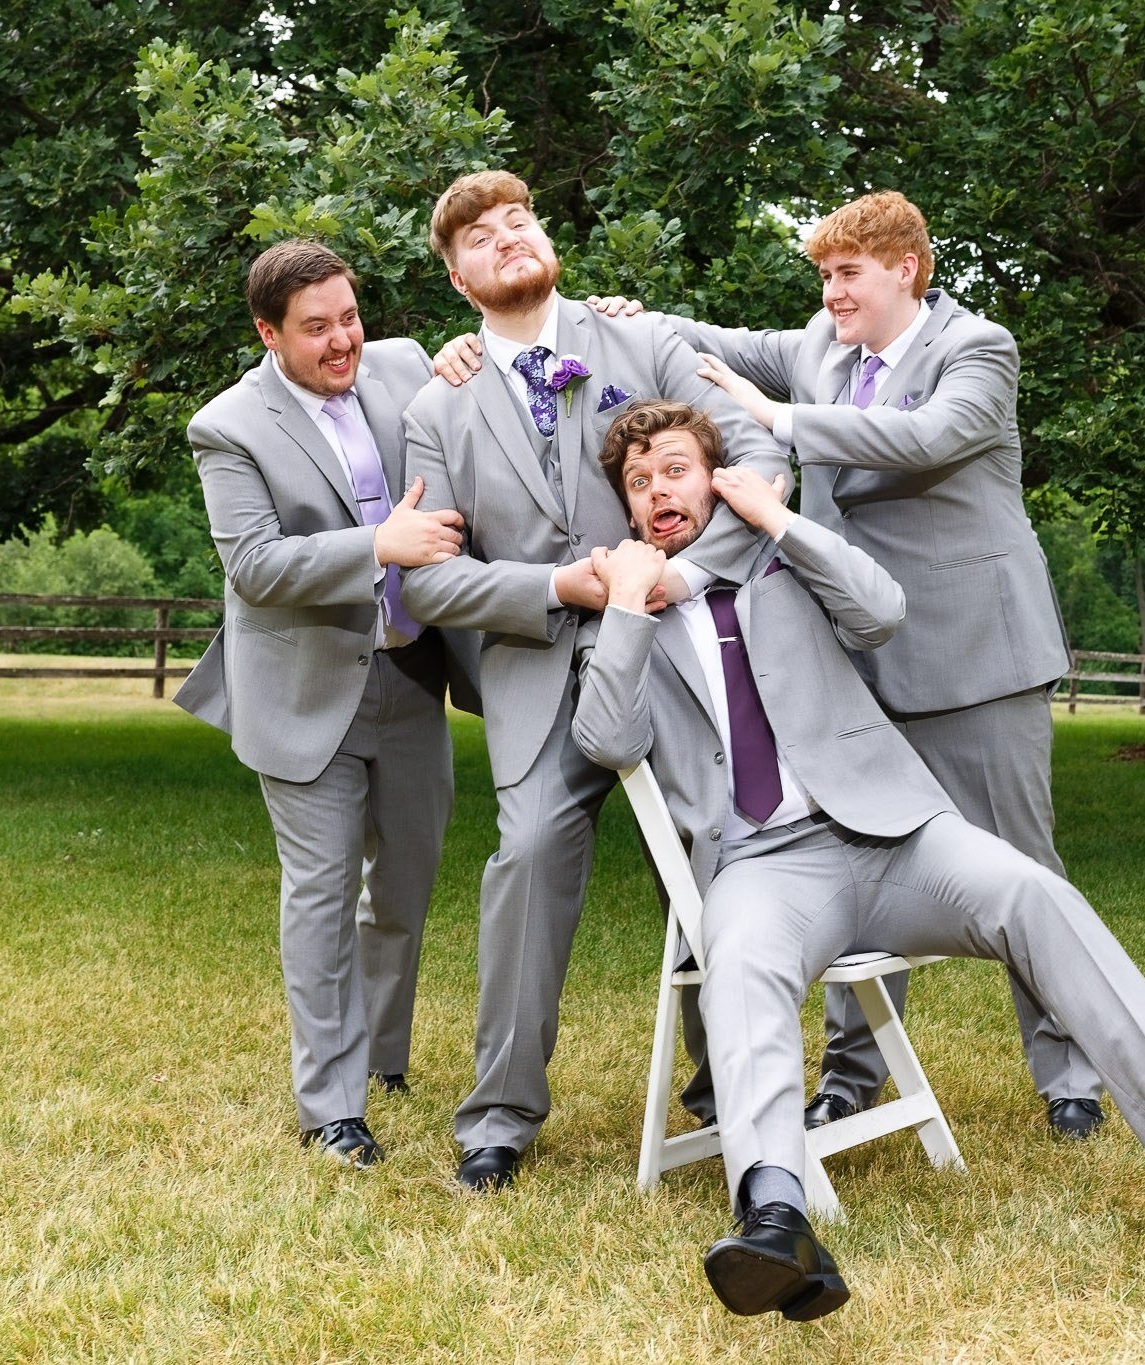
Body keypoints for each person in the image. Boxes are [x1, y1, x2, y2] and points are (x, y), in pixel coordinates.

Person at [571, 400, 1145, 1321]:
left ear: (716, 479)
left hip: (896, 834)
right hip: (765, 866)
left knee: (1033, 892)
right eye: (639, 482)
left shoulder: (785, 561)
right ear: (627, 512)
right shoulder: (626, 621)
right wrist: (624, 604)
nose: (660, 491)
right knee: (736, 966)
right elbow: (608, 738)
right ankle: (777, 1215)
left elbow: (884, 610)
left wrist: (775, 514)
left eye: (676, 469)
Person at [434, 191, 1105, 1140]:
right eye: (823, 275)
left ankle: (1070, 1076)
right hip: (838, 638)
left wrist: (780, 422)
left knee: (1020, 862)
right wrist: (591, 319)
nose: (831, 293)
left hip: (970, 645)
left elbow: (929, 439)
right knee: (857, 834)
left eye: (849, 275)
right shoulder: (819, 349)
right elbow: (702, 339)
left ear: (906, 269)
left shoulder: (976, 348)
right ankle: (852, 1073)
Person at [396, 171, 789, 1192]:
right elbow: (432, 577)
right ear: (456, 278)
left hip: (674, 652)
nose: (508, 237)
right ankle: (498, 1117)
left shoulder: (642, 341)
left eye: (520, 219)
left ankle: (732, 1093)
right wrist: (555, 584)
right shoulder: (437, 407)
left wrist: (688, 572)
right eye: (480, 237)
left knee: (721, 844)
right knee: (524, 857)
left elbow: (749, 449)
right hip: (537, 672)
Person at [174, 239, 475, 1166]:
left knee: (409, 882)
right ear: (268, 333)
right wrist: (379, 543)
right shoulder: (227, 427)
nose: (343, 341)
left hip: (411, 674)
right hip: (303, 690)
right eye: (317, 328)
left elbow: (492, 379)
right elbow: (256, 567)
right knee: (321, 894)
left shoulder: (401, 362)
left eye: (349, 317)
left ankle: (382, 1054)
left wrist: (478, 354)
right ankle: (333, 1109)